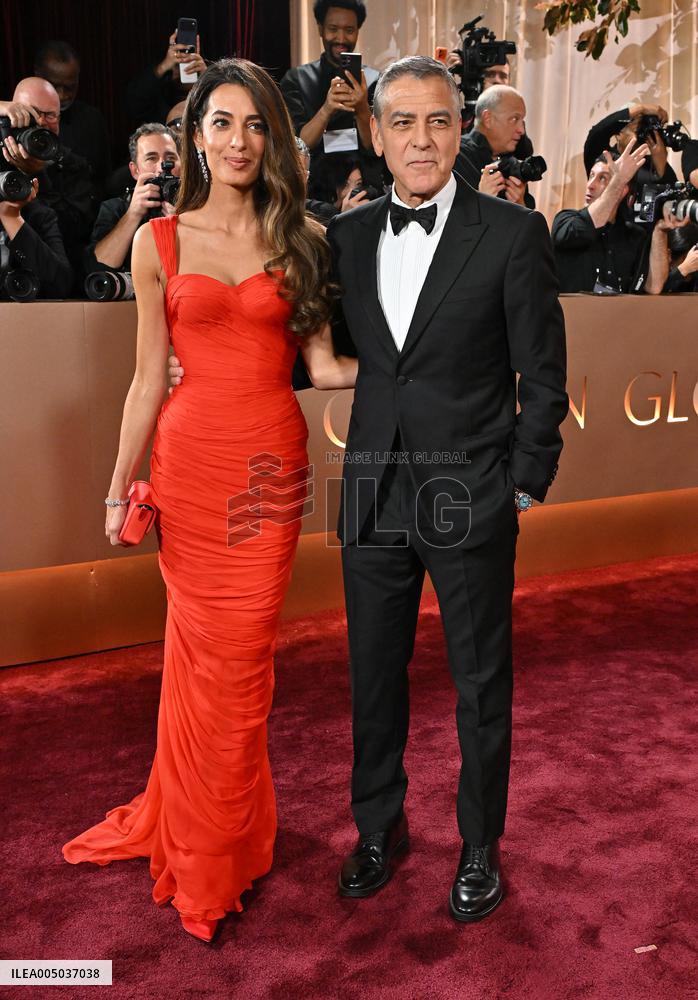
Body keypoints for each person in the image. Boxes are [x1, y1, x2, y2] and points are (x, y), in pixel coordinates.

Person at [171, 55, 567, 923]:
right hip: (373, 487)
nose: (422, 140)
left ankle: (479, 844)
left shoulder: (512, 233)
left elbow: (543, 373)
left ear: (459, 132)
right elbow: (309, 351)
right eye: (404, 123)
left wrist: (524, 480)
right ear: (377, 136)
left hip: (471, 486)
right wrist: (195, 365)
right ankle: (379, 829)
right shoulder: (341, 238)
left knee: (480, 682)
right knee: (373, 674)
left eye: (439, 121)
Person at [62, 58, 357, 943]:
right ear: (196, 136)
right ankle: (205, 846)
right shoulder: (159, 241)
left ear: (275, 138)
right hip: (188, 469)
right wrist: (119, 488)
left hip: (266, 471)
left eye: (256, 124)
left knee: (241, 663)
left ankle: (218, 844)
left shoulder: (303, 238)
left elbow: (324, 368)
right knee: (198, 662)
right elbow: (145, 380)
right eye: (222, 122)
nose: (239, 140)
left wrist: (436, 362)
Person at [4, 78, 95, 290]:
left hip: (47, 284)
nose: (42, 122)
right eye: (31, 112)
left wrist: (37, 173)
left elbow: (72, 234)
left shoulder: (74, 166)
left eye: (50, 115)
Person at [279, 1, 379, 175]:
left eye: (349, 30)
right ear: (320, 28)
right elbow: (297, 147)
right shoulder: (297, 79)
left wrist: (362, 106)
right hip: (314, 185)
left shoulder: (374, 80)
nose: (341, 39)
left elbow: (376, 145)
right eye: (333, 29)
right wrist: (326, 110)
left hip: (364, 184)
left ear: (358, 30)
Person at [552, 143, 660, 293]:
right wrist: (619, 180)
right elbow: (584, 228)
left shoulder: (635, 235)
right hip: (571, 309)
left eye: (602, 178)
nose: (590, 185)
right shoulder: (565, 220)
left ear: (623, 190)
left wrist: (661, 230)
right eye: (591, 176)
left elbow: (653, 287)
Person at [84, 124, 180, 278]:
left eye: (170, 158)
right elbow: (99, 270)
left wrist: (184, 228)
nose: (162, 167)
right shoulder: (115, 209)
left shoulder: (200, 207)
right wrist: (133, 215)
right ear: (135, 170)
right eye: (151, 158)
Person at [33, 40, 112, 199]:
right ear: (37, 75)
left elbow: (102, 176)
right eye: (54, 86)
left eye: (70, 87)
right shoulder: (20, 119)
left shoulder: (92, 119)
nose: (62, 96)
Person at [455, 85, 536, 208]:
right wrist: (481, 200)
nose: (521, 130)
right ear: (488, 118)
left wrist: (520, 206)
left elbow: (530, 217)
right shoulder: (456, 157)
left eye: (522, 121)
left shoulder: (512, 165)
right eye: (514, 119)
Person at [583, 102, 677, 188]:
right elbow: (596, 133)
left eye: (641, 123)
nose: (639, 127)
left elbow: (672, 194)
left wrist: (661, 168)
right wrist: (642, 108)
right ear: (618, 134)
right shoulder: (604, 158)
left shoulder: (651, 163)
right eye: (633, 122)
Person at [126, 29, 207, 128]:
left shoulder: (206, 93)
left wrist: (207, 78)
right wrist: (163, 67)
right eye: (178, 65)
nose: (183, 70)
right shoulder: (159, 100)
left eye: (188, 63)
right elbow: (134, 104)